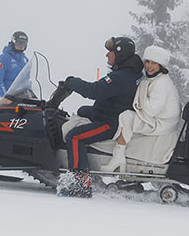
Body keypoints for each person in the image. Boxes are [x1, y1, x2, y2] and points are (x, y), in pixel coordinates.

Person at [58, 36, 143, 195]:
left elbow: (94, 91)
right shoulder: (131, 71)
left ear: (120, 53)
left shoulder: (121, 77)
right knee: (83, 110)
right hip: (111, 112)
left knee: (75, 137)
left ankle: (80, 183)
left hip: (110, 123)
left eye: (109, 52)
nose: (107, 55)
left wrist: (72, 81)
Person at [101, 44, 181, 173]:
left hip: (162, 123)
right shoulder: (155, 79)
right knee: (126, 115)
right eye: (147, 61)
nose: (149, 66)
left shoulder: (161, 83)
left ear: (161, 66)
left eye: (154, 63)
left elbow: (150, 110)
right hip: (159, 119)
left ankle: (118, 157)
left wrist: (141, 91)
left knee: (126, 116)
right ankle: (118, 155)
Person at [0, 30, 29, 98]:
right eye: (19, 43)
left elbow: (27, 81)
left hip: (22, 98)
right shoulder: (4, 58)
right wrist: (5, 96)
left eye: (23, 44)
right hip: (10, 98)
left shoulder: (25, 60)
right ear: (13, 43)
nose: (21, 46)